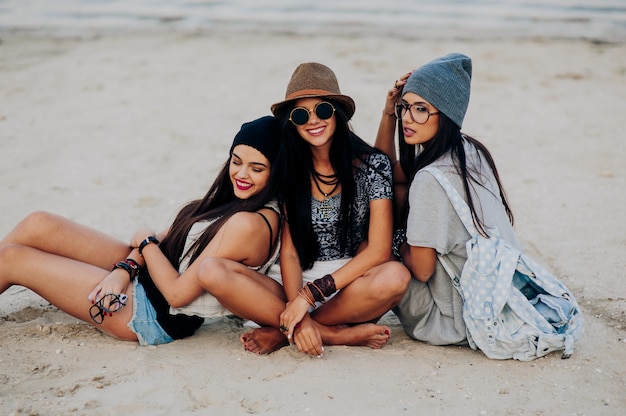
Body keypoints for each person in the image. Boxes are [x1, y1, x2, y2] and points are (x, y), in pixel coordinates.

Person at [0, 115, 284, 346]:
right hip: (146, 274)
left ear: (277, 172)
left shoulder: (251, 223)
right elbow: (161, 239)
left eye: (256, 168)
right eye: (236, 161)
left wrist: (146, 244)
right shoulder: (235, 200)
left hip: (151, 312)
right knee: (38, 223)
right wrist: (124, 269)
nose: (241, 174)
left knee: (12, 259)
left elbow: (176, 294)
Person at [239, 62, 410, 357]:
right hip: (292, 284)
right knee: (215, 271)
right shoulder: (290, 169)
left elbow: (379, 250)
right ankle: (326, 333)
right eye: (301, 114)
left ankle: (287, 331)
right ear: (292, 122)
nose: (312, 120)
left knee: (396, 277)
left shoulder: (372, 166)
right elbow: (290, 253)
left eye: (323, 110)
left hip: (349, 284)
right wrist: (298, 299)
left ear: (338, 112)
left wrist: (309, 297)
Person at [374, 53, 522, 345]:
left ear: (447, 113)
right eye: (405, 107)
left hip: (449, 320)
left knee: (374, 240)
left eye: (421, 109)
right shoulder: (469, 151)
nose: (407, 117)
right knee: (395, 194)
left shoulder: (430, 180)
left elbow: (423, 270)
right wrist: (388, 113)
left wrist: (395, 241)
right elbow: (385, 174)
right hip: (492, 302)